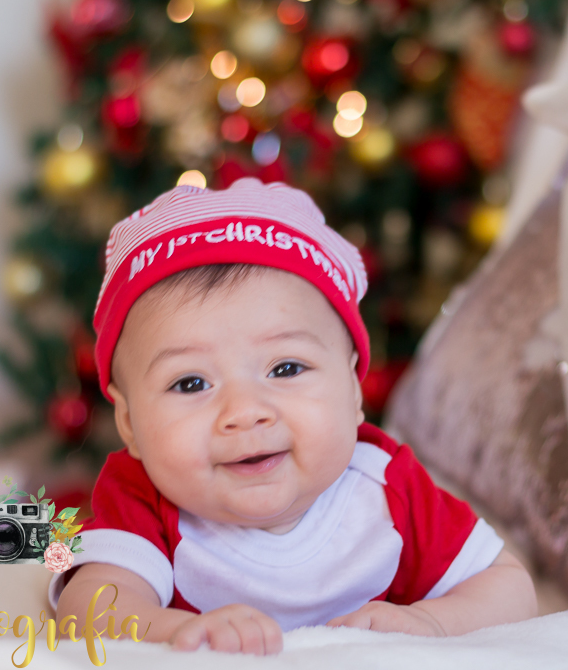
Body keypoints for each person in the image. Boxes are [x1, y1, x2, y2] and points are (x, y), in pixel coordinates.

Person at [52, 177, 537, 655]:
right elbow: (88, 605)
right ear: (130, 424)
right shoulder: (145, 498)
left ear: (351, 389)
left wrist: (430, 621)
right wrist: (170, 630)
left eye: (285, 368)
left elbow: (509, 588)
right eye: (191, 383)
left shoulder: (387, 487)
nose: (244, 413)